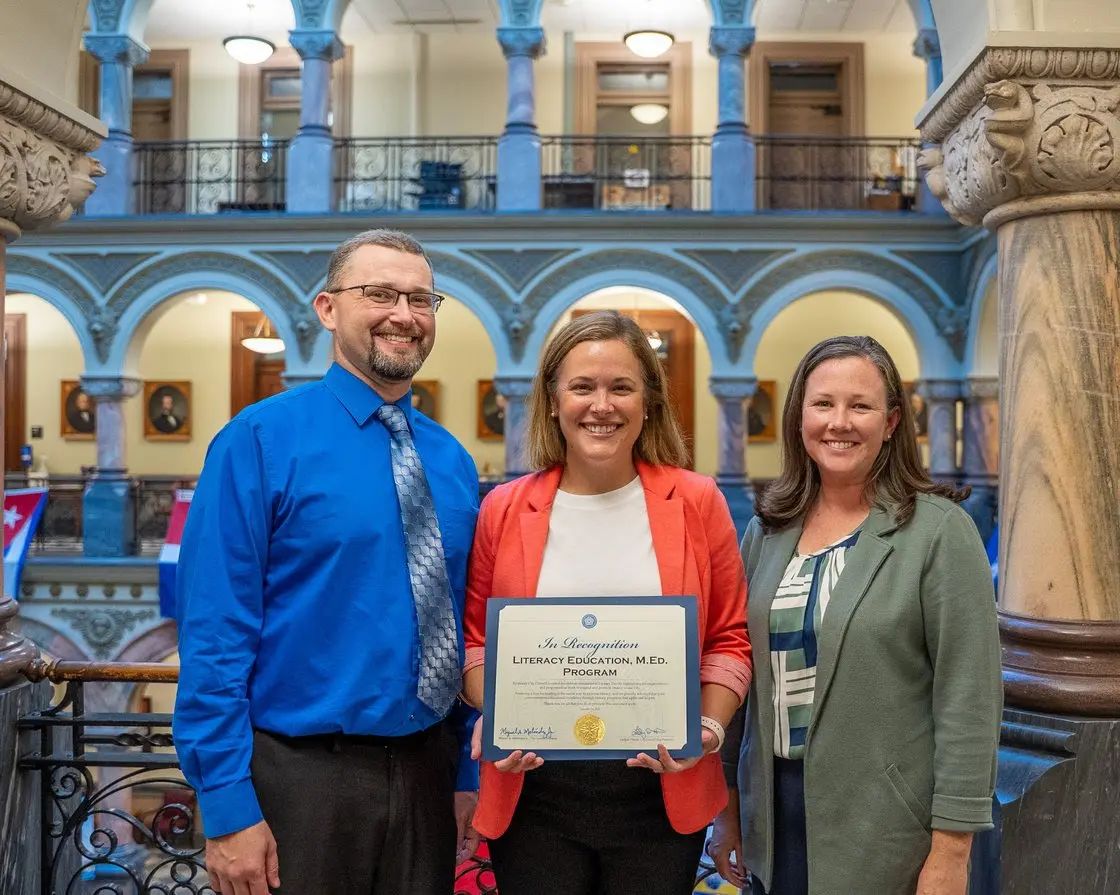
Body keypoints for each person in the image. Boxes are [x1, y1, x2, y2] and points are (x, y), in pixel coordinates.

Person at [173, 229, 482, 895]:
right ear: (327, 307)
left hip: (429, 774)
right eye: (380, 293)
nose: (405, 314)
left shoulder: (452, 462)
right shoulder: (257, 442)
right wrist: (226, 808)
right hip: (299, 783)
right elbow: (215, 635)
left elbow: (460, 626)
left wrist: (466, 773)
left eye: (422, 298)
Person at [461, 310, 753, 895]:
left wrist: (709, 730)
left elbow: (729, 639)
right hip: (533, 795)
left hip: (661, 797)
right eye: (582, 387)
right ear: (551, 400)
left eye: (622, 387)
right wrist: (497, 711)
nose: (602, 405)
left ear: (649, 403)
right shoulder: (505, 509)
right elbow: (476, 644)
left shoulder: (697, 502)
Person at [709, 335, 1002, 895]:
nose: (838, 422)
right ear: (800, 416)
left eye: (860, 406)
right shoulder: (767, 532)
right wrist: (726, 809)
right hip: (772, 816)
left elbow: (969, 698)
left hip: (885, 828)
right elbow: (738, 674)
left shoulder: (938, 531)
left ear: (891, 422)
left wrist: (951, 852)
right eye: (823, 404)